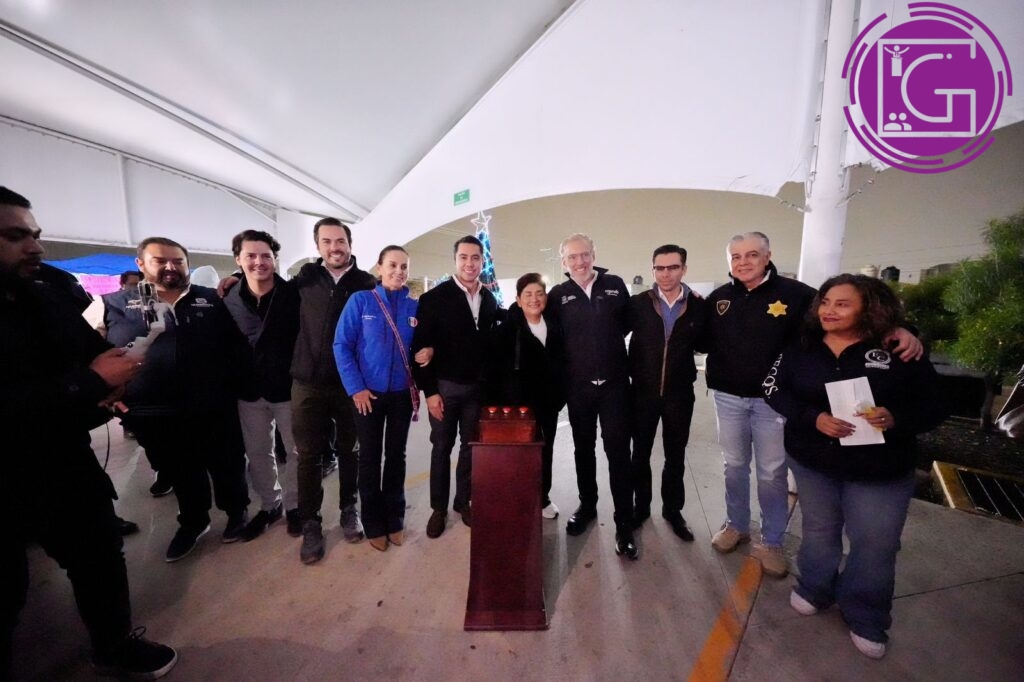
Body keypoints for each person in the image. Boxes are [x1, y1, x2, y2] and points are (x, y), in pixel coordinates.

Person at [0, 186, 177, 679]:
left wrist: (110, 374)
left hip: (62, 460)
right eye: (15, 236)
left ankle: (113, 646)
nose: (35, 247)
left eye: (35, 234)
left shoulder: (43, 294)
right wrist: (88, 383)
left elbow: (88, 351)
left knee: (98, 555)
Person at [702, 232, 921, 578]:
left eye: (752, 254)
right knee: (733, 465)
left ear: (767, 256)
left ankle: (771, 541)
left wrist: (902, 329)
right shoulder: (719, 298)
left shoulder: (798, 295)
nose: (743, 262)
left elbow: (848, 316)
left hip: (774, 401)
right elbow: (697, 336)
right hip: (728, 397)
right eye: (736, 256)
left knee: (771, 472)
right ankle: (736, 524)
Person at [763, 274, 945, 658]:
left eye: (842, 304)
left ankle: (866, 614)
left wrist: (896, 419)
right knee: (819, 529)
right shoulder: (803, 345)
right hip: (814, 462)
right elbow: (773, 388)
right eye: (826, 302)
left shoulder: (897, 349)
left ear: (870, 308)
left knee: (875, 542)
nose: (829, 310)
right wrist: (812, 418)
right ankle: (814, 587)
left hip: (878, 468)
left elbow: (935, 404)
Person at [104, 237, 251, 562]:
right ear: (141, 264)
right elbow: (88, 350)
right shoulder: (115, 303)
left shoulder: (212, 299)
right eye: (160, 260)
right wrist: (103, 390)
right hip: (156, 410)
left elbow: (237, 345)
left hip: (214, 404)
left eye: (178, 261)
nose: (170, 267)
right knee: (182, 471)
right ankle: (194, 521)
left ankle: (236, 512)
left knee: (227, 464)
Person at [288, 218, 376, 563]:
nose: (334, 247)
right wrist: (234, 280)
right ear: (318, 246)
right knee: (308, 456)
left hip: (350, 384)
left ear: (350, 244)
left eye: (340, 241)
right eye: (327, 241)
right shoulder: (306, 279)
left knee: (350, 450)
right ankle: (311, 523)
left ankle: (349, 509)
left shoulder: (365, 283)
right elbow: (270, 292)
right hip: (307, 383)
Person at [547, 233, 637, 559]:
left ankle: (624, 522)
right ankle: (587, 505)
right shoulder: (558, 295)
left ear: (594, 255)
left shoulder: (615, 285)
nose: (580, 262)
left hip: (615, 387)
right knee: (583, 449)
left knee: (618, 453)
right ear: (564, 261)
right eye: (572, 257)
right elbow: (550, 335)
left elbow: (629, 324)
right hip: (579, 389)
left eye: (584, 255)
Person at [411, 235, 502, 539]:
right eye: (464, 257)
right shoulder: (434, 298)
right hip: (445, 389)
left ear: (482, 261)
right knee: (441, 447)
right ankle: (438, 509)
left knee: (470, 448)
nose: (470, 263)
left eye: (475, 258)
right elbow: (420, 349)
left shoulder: (489, 299)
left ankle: (463, 501)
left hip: (476, 390)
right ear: (455, 260)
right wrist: (430, 393)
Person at [334, 245, 419, 551]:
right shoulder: (361, 301)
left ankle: (395, 517)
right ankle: (372, 521)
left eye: (404, 266)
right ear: (379, 268)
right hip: (367, 395)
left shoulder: (414, 307)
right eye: (392, 265)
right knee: (369, 458)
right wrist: (355, 387)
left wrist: (427, 351)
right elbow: (342, 345)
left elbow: (423, 343)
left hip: (401, 395)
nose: (399, 271)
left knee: (396, 456)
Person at [223, 230, 302, 540]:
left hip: (287, 388)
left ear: (275, 259)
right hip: (248, 390)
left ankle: (295, 506)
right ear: (238, 259)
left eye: (266, 256)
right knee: (257, 453)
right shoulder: (228, 298)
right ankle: (271, 505)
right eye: (251, 256)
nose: (259, 262)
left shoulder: (293, 294)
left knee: (297, 451)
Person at [627, 245, 707, 542]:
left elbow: (708, 343)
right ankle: (641, 507)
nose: (665, 274)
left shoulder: (698, 305)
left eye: (673, 267)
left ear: (684, 269)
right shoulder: (638, 304)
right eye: (659, 268)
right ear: (653, 270)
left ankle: (673, 511)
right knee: (640, 454)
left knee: (675, 455)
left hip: (679, 394)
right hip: (642, 393)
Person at [487, 272, 566, 520]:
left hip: (549, 404)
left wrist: (559, 396)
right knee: (519, 455)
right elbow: (493, 373)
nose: (534, 299)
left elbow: (563, 364)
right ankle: (518, 498)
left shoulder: (555, 327)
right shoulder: (506, 332)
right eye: (528, 294)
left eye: (539, 294)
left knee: (545, 451)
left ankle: (542, 497)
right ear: (518, 300)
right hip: (517, 407)